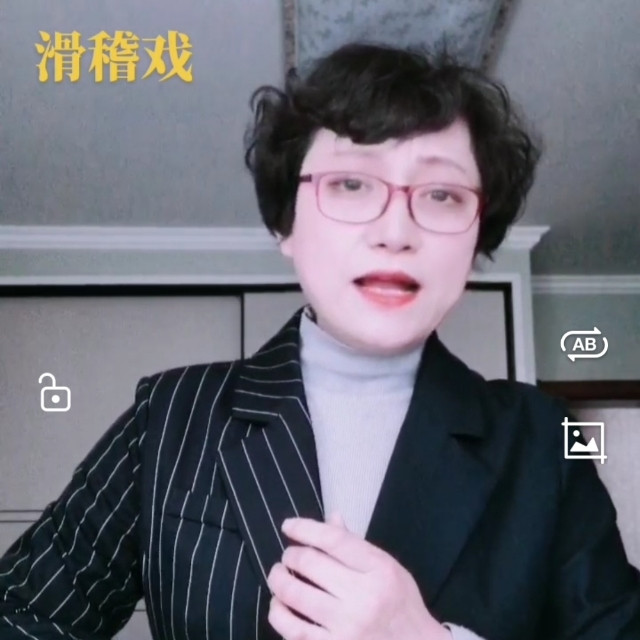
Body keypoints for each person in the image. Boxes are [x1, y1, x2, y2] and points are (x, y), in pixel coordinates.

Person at [1, 41, 639, 640]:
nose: (396, 232)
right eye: (352, 184)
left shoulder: (544, 442)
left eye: (442, 194)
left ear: (476, 237)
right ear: (286, 223)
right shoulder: (172, 415)